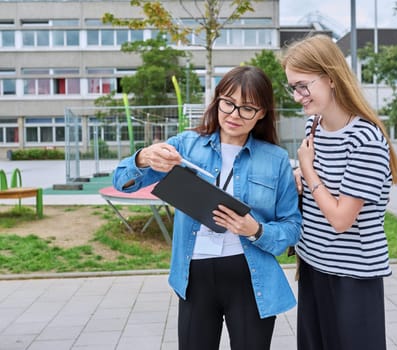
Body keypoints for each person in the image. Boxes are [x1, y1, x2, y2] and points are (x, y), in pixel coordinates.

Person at [112, 65, 302, 350]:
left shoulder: (275, 159)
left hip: (250, 278)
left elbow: (292, 226)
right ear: (217, 101)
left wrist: (256, 230)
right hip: (194, 275)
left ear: (262, 112)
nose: (234, 115)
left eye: (247, 108)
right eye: (228, 103)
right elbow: (120, 181)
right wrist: (144, 158)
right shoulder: (187, 146)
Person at [282, 34, 397, 350]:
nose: (298, 96)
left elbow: (341, 219)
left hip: (352, 276)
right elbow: (323, 185)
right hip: (314, 265)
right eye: (293, 87)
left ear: (331, 78)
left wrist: (308, 171)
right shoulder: (316, 127)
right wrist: (301, 174)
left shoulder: (364, 140)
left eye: (302, 85)